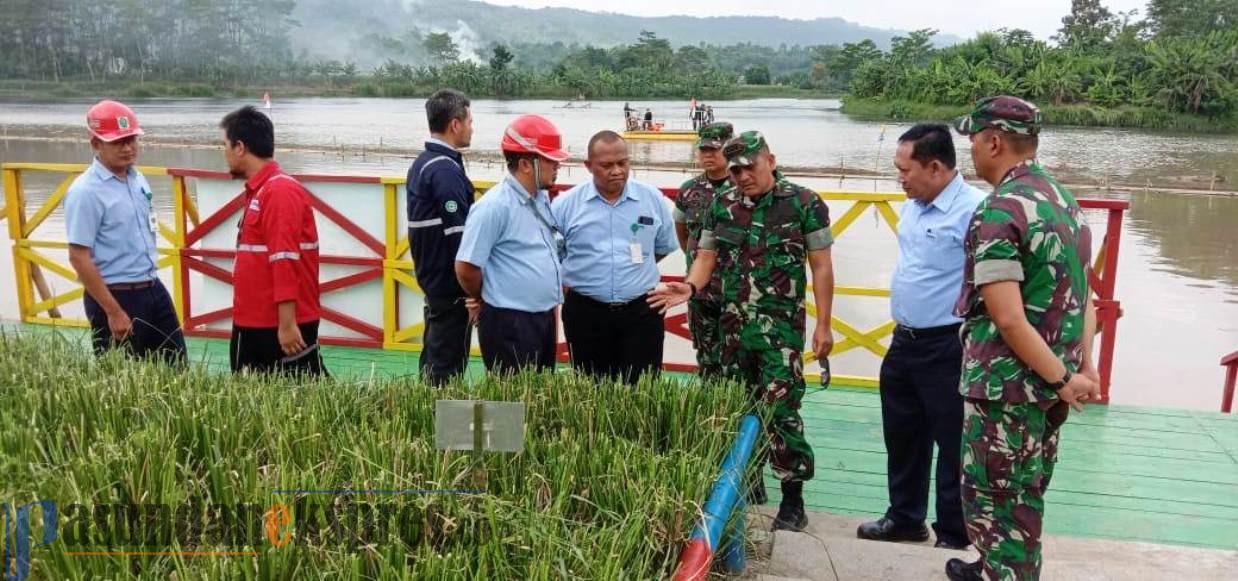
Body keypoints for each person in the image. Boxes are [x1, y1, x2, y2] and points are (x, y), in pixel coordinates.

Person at [945, 96, 1100, 581]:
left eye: (973, 140)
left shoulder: (1000, 210)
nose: (971, 151)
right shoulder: (1063, 201)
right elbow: (1085, 296)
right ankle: (991, 568)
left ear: (993, 141)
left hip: (1006, 393)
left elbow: (1008, 319)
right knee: (1024, 498)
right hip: (1049, 389)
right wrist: (1083, 370)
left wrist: (1060, 380)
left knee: (998, 508)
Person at [649, 131, 835, 532]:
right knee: (736, 406)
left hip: (780, 334)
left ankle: (792, 500)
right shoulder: (723, 204)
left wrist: (824, 324)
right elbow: (705, 256)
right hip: (732, 329)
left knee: (782, 412)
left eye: (750, 166)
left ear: (770, 159)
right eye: (735, 170)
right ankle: (746, 484)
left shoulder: (805, 204)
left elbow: (821, 266)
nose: (743, 175)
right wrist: (690, 286)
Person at [856, 123, 985, 551]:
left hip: (949, 342)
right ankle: (905, 518)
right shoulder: (915, 204)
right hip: (904, 340)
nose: (900, 178)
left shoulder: (975, 212)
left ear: (934, 167)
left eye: (905, 169)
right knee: (903, 432)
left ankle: (953, 531)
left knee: (952, 439)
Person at [65, 100, 187, 364]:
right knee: (123, 379)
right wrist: (113, 311)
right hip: (115, 294)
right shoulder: (85, 192)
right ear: (95, 143)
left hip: (152, 287)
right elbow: (78, 257)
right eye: (118, 142)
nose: (128, 147)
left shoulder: (136, 178)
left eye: (132, 139)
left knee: (176, 368)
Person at [551, 131, 676, 384]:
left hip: (642, 311)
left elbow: (662, 247)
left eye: (623, 163)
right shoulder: (566, 205)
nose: (617, 171)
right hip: (586, 313)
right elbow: (553, 254)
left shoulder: (652, 199)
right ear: (588, 166)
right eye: (606, 166)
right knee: (590, 390)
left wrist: (630, 272)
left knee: (644, 392)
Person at [455, 115, 569, 374]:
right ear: (526, 165)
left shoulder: (540, 198)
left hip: (542, 317)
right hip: (510, 321)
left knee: (538, 397)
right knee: (512, 402)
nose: (558, 165)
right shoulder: (495, 206)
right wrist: (485, 296)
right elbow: (466, 267)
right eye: (551, 160)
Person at [222, 106, 328, 376]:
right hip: (254, 320)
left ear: (240, 147)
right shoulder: (260, 191)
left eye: (224, 145)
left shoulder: (279, 191)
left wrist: (287, 324)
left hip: (274, 326)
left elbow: (285, 259)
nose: (224, 154)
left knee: (295, 401)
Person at [406, 89, 475, 386]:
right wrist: (472, 286)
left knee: (436, 353)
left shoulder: (424, 162)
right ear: (455, 125)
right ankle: (438, 419)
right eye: (470, 121)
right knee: (446, 366)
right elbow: (458, 234)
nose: (473, 128)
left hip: (434, 282)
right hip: (449, 286)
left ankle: (425, 409)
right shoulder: (444, 170)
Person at [674, 122, 734, 379]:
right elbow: (681, 230)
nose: (707, 156)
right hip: (700, 290)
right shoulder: (689, 189)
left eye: (714, 150)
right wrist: (694, 261)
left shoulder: (743, 184)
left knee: (739, 354)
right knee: (707, 356)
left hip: (736, 288)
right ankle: (712, 410)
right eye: (703, 150)